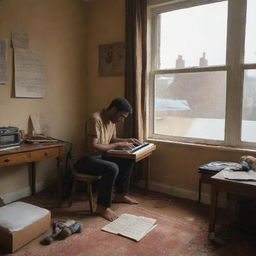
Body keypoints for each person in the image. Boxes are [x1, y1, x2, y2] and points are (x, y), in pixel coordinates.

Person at [75, 98, 141, 221]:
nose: (121, 120)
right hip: (85, 159)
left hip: (100, 156)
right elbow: (92, 146)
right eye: (121, 116)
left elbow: (113, 139)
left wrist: (127, 140)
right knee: (112, 168)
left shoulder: (112, 120)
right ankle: (102, 207)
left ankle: (120, 195)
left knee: (128, 159)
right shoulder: (95, 119)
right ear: (114, 110)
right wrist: (117, 145)